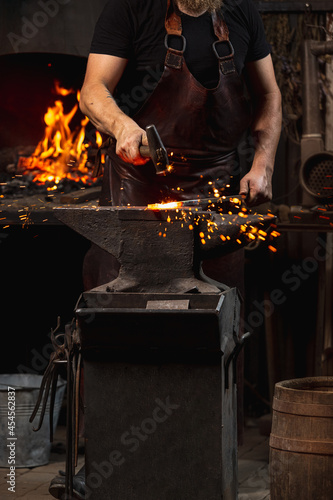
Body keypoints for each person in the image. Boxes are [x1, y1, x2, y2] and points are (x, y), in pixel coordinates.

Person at [49, 0, 281, 498]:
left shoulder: (241, 13)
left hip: (216, 192)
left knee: (220, 324)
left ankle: (205, 460)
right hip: (140, 186)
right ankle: (102, 460)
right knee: (115, 318)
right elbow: (92, 92)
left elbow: (269, 95)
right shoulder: (130, 10)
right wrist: (123, 126)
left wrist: (262, 162)